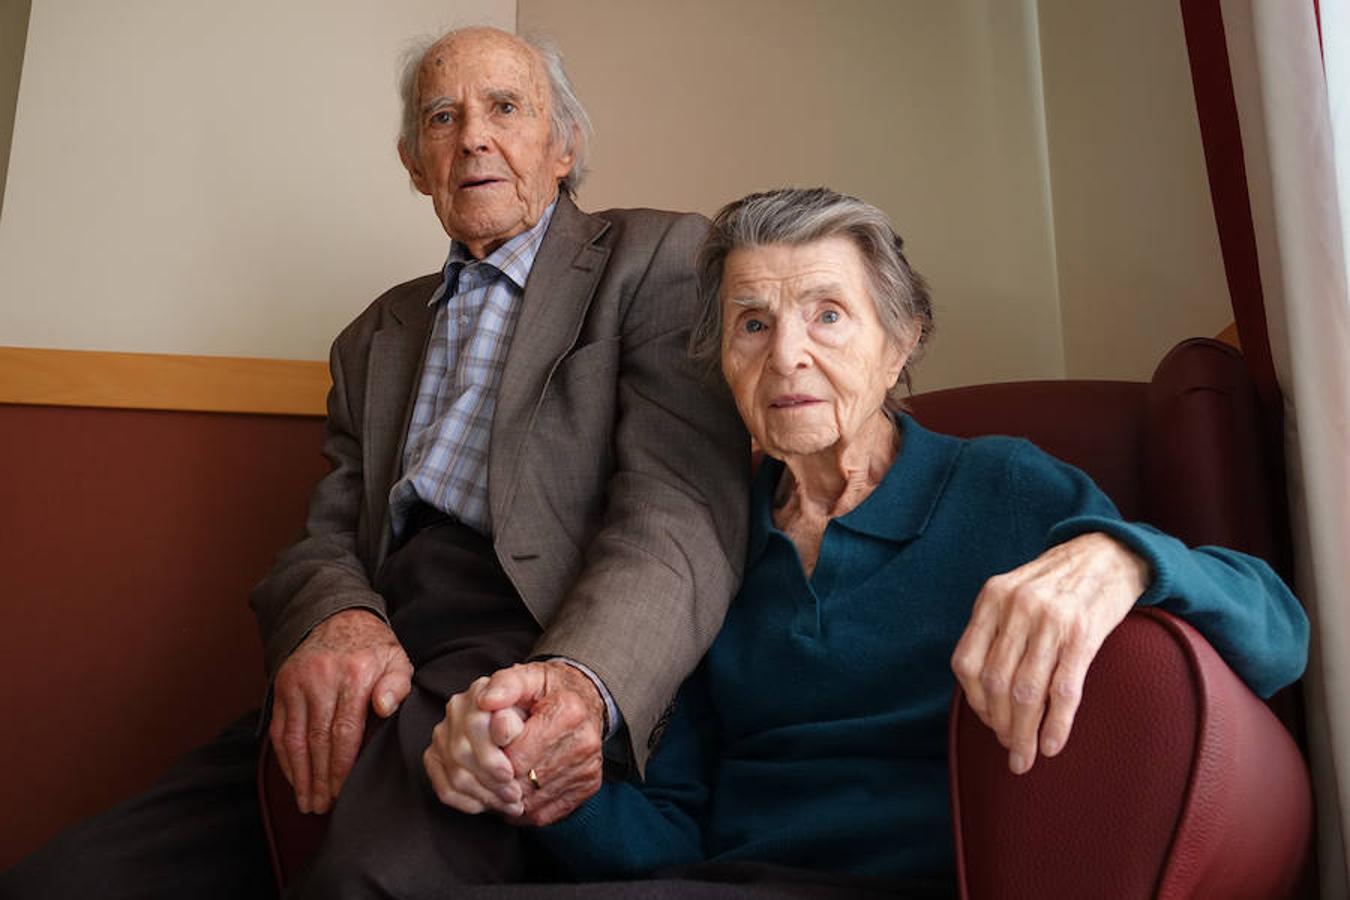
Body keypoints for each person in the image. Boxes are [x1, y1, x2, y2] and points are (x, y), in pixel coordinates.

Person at [0, 26, 747, 899]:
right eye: (443, 117)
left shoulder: (656, 258)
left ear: (564, 143)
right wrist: (335, 619)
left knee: (362, 880)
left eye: (505, 107)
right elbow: (324, 537)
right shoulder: (371, 336)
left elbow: (680, 509)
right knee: (71, 878)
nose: (472, 136)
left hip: (521, 646)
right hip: (381, 644)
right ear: (414, 161)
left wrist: (578, 682)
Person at [428, 187, 1309, 898]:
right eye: (752, 323)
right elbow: (673, 834)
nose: (786, 358)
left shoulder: (999, 487)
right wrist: (557, 794)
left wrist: (1124, 556)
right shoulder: (707, 543)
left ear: (900, 344)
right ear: (722, 363)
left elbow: (1281, 634)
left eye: (829, 316)